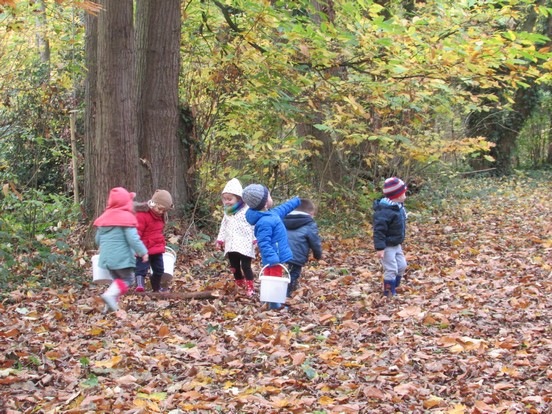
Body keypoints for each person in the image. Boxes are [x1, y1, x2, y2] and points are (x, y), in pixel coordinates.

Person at [242, 183, 300, 309]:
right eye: (269, 195)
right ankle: (274, 304)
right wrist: (273, 258)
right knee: (274, 279)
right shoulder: (265, 222)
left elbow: (284, 208)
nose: (271, 197)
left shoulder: (271, 214)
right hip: (274, 257)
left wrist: (296, 201)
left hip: (275, 256)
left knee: (270, 278)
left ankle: (267, 301)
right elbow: (264, 243)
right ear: (264, 204)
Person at [94, 187, 149, 312]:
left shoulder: (104, 218)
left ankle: (109, 306)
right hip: (122, 259)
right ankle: (109, 296)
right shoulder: (126, 218)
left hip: (107, 259)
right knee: (127, 279)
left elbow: (97, 240)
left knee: (116, 281)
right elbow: (133, 239)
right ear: (126, 203)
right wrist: (143, 252)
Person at [215, 178, 256, 296]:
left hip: (245, 243)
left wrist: (255, 239)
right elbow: (224, 226)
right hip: (231, 243)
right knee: (234, 266)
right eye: (225, 199)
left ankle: (250, 286)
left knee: (245, 265)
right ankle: (239, 283)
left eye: (230, 199)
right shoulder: (227, 212)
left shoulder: (247, 211)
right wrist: (220, 240)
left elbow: (253, 226)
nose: (227, 202)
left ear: (238, 198)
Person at [373, 177, 408, 297]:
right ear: (396, 196)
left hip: (397, 244)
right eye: (404, 193)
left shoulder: (398, 207)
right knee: (391, 268)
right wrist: (380, 248)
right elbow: (379, 230)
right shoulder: (385, 211)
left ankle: (396, 286)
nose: (405, 196)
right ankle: (388, 291)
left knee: (402, 265)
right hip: (387, 246)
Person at [134, 189, 173, 292]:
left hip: (157, 247)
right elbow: (137, 232)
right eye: (160, 209)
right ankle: (139, 285)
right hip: (143, 248)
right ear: (153, 203)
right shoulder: (142, 215)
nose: (161, 212)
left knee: (159, 269)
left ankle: (156, 287)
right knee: (141, 268)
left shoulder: (161, 217)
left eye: (164, 211)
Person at [283, 198, 323, 297]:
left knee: (281, 271)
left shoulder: (283, 219)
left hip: (280, 252)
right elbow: (315, 242)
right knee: (293, 274)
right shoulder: (310, 224)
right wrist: (318, 255)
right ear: (311, 213)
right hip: (297, 255)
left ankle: (277, 288)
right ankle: (286, 294)